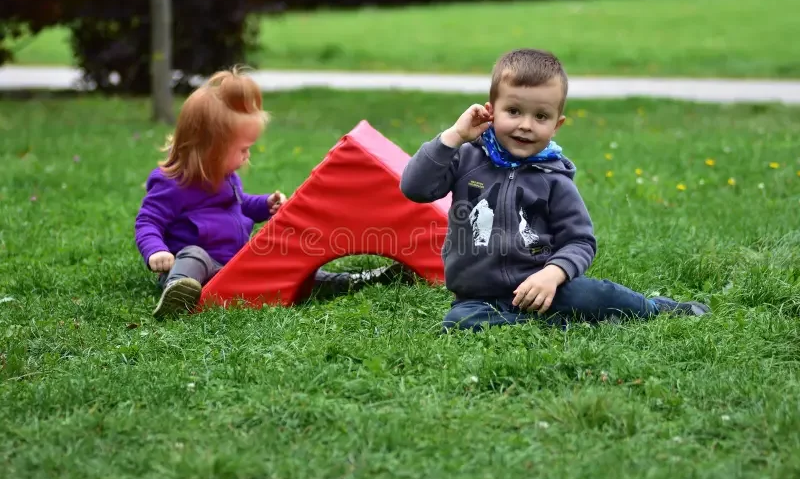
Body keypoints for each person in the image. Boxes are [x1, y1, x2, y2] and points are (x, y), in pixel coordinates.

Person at [400, 48, 709, 332]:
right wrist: (453, 136)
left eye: (541, 117)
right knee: (458, 322)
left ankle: (654, 308)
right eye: (514, 111)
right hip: (480, 297)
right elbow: (414, 187)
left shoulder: (554, 178)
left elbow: (580, 240)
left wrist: (554, 274)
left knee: (595, 294)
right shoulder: (466, 158)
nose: (526, 125)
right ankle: (554, 324)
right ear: (491, 111)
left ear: (556, 125)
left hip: (549, 289)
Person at [135, 67, 411, 319]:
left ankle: (356, 280)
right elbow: (148, 222)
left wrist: (264, 205)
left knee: (292, 267)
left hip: (232, 267)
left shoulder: (225, 178)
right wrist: (156, 251)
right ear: (210, 149)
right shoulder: (171, 183)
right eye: (242, 149)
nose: (247, 155)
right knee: (194, 253)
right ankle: (178, 291)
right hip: (200, 269)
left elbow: (239, 205)